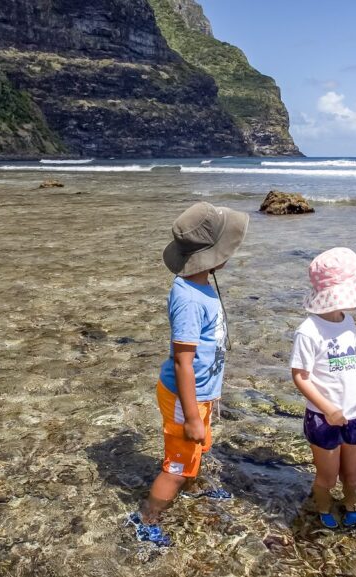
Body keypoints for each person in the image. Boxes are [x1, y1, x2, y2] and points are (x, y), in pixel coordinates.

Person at [126, 201, 249, 546]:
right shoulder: (190, 299)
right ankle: (145, 519)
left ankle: (192, 488)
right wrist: (193, 415)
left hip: (198, 394)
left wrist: (210, 397)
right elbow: (183, 362)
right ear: (211, 255)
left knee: (195, 450)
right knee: (174, 467)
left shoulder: (202, 285)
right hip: (185, 396)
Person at [290, 247, 356, 528]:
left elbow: (350, 366)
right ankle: (323, 509)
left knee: (353, 476)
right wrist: (328, 408)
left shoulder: (348, 321)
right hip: (324, 417)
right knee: (327, 478)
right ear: (337, 294)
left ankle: (351, 503)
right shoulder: (308, 331)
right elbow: (300, 376)